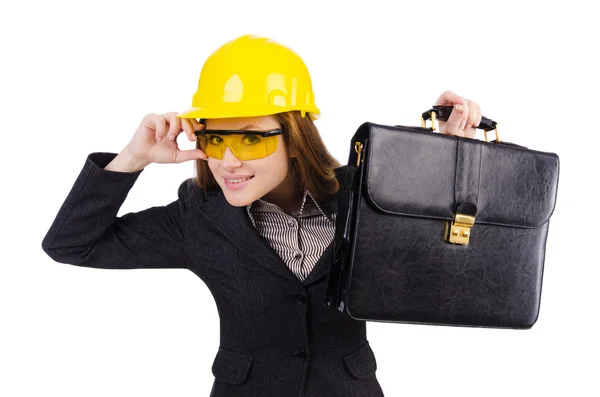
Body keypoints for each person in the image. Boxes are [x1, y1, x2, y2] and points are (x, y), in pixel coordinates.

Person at [41, 34, 484, 397]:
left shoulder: (363, 194)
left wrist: (446, 152)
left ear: (295, 135)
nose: (227, 161)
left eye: (251, 139)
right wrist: (133, 158)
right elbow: (71, 244)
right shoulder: (200, 217)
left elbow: (440, 253)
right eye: (216, 139)